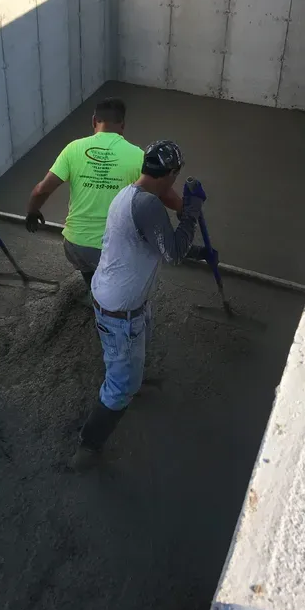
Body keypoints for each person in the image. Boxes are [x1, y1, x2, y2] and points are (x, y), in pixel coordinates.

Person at [71, 139, 208, 470]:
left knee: (136, 346)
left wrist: (197, 251)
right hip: (120, 310)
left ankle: (135, 377)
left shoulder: (129, 195)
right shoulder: (148, 205)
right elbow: (172, 252)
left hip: (118, 297)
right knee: (120, 387)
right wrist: (190, 213)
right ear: (171, 173)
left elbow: (155, 243)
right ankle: (88, 447)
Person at [25, 97, 182, 290]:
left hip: (75, 246)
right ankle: (107, 302)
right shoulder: (137, 156)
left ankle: (94, 291)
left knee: (91, 273)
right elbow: (165, 193)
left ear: (93, 121)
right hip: (112, 251)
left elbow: (42, 189)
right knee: (129, 266)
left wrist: (32, 210)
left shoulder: (73, 149)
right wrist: (186, 210)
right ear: (123, 125)